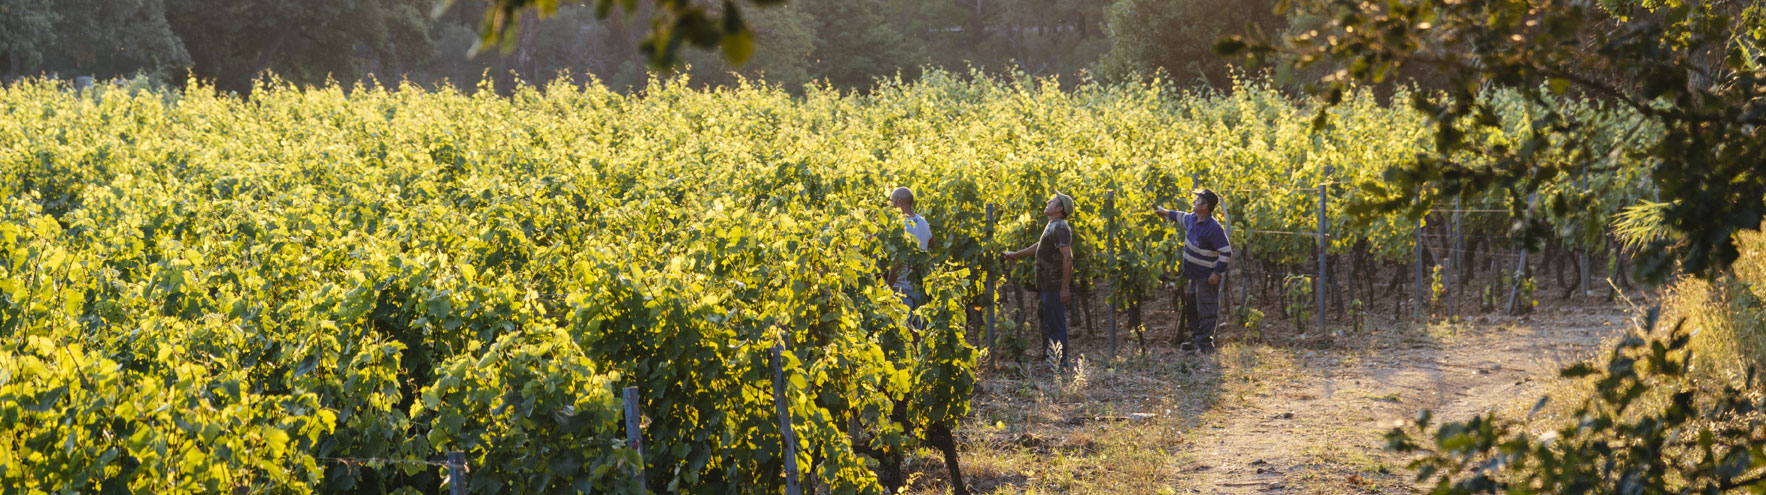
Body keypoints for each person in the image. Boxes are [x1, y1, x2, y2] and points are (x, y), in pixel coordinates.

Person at [1153, 188, 1232, 353]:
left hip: (1206, 277)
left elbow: (1226, 252)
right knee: (1192, 307)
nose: (1194, 202)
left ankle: (1205, 345)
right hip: (1193, 276)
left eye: (1197, 200)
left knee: (1206, 309)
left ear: (1205, 206)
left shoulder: (1213, 228)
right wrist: (1164, 212)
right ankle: (1197, 340)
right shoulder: (1192, 219)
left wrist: (1216, 272)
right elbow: (1179, 215)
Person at [1003, 193, 1075, 367]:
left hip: (1054, 285)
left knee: (1056, 324)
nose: (1048, 201)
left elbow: (1068, 257)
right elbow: (1040, 246)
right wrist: (1016, 255)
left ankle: (1060, 365)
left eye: (1052, 201)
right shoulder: (1052, 226)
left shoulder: (1060, 227)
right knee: (1052, 323)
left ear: (1059, 209)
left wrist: (1064, 288)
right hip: (1047, 285)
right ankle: (1055, 363)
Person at [885, 187, 932, 311]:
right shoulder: (923, 222)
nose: (890, 205)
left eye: (891, 201)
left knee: (903, 328)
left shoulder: (901, 226)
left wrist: (887, 288)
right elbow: (931, 243)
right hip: (918, 287)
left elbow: (898, 263)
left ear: (899, 202)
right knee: (917, 329)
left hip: (902, 289)